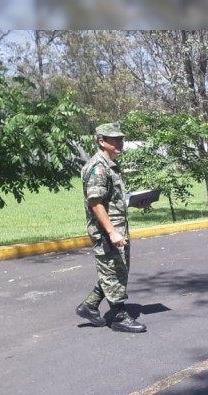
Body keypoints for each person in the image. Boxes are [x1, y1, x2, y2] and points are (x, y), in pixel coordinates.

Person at [75, 122, 147, 333]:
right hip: (107, 232)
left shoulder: (111, 165)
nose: (120, 143)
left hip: (116, 228)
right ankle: (118, 315)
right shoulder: (98, 167)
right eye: (115, 139)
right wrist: (112, 231)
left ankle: (89, 306)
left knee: (115, 270)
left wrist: (137, 201)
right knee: (114, 271)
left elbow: (111, 200)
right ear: (101, 141)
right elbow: (95, 202)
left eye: (121, 139)